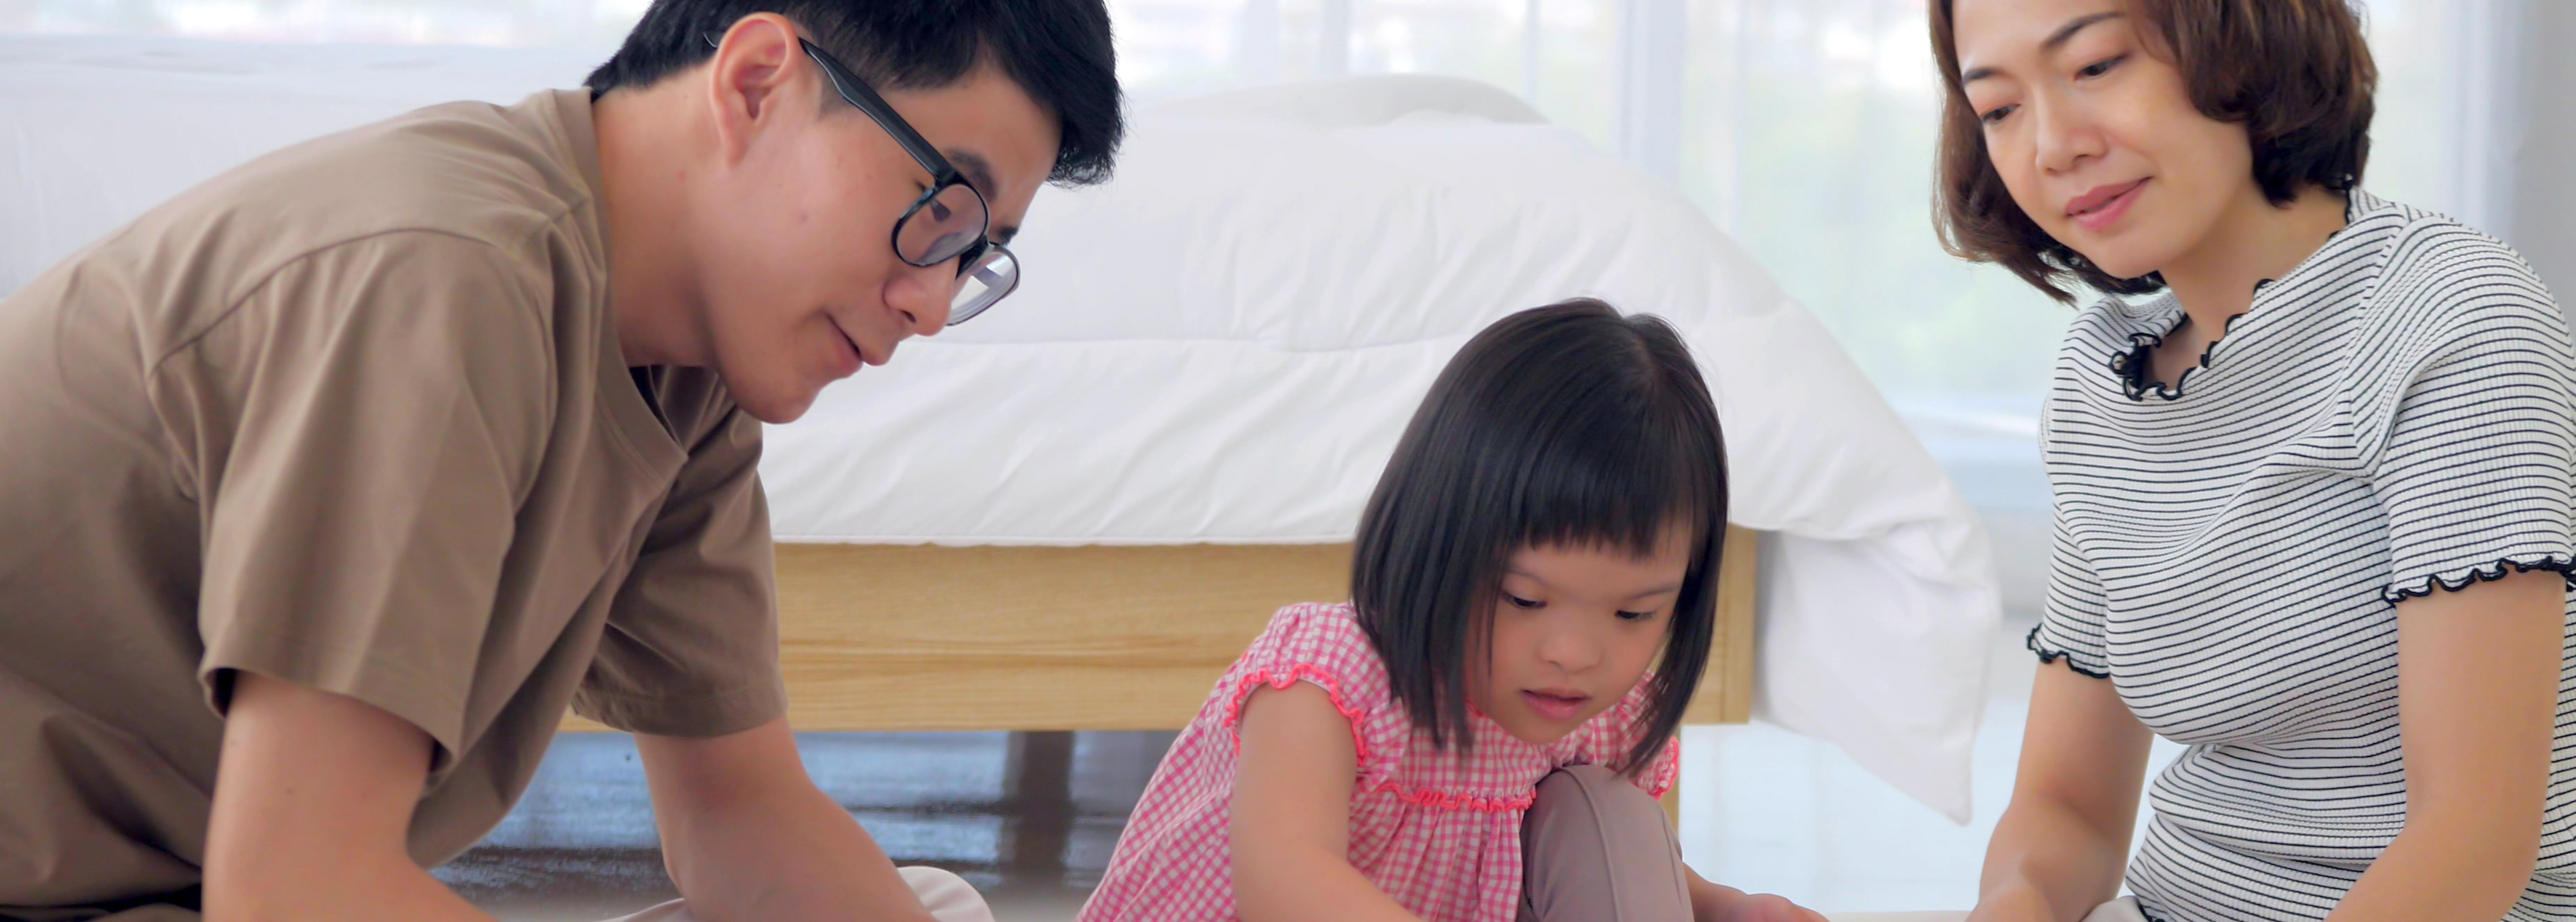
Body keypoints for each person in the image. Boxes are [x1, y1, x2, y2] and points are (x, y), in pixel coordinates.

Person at [0, 1, 1121, 919]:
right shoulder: (447, 282)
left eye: (977, 257)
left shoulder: (691, 364)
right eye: (941, 208)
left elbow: (740, 820)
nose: (930, 305)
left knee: (925, 907)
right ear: (757, 82)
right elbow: (298, 888)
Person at [1927, 0, 2576, 920]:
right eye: (1998, 109)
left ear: (2243, 34)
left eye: (2098, 65)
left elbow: (2472, 839)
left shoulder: (2450, 318)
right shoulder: (2099, 383)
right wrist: (2016, 904)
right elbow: (2067, 808)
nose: (2052, 145)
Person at [1073, 300, 1825, 922]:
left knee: (1615, 813)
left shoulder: (1607, 716)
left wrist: (1725, 907)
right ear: (1436, 537)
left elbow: (1612, 872)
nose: (1575, 653)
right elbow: (1284, 881)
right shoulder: (1333, 682)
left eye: (1634, 614)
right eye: (1525, 599)